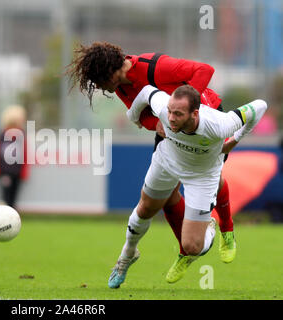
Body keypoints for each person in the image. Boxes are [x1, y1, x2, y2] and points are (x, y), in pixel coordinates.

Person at [66, 42, 237, 266]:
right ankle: (187, 250)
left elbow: (204, 70)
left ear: (110, 72)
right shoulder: (121, 86)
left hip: (205, 120)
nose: (97, 87)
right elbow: (142, 118)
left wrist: (188, 112)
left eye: (98, 81)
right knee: (162, 198)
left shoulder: (153, 67)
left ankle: (227, 227)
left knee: (210, 178)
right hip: (172, 129)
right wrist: (159, 121)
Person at [110, 84, 266, 287]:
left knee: (192, 247)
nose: (171, 118)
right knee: (145, 209)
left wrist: (235, 140)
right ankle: (127, 254)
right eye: (170, 112)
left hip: (202, 176)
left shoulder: (221, 124)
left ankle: (211, 225)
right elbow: (147, 92)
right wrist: (134, 116)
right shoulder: (165, 108)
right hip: (166, 162)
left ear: (195, 113)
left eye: (178, 114)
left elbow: (260, 105)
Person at [0, 105, 29, 209]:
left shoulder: (21, 134)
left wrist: (24, 172)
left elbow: (24, 154)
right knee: (5, 197)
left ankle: (12, 219)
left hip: (17, 171)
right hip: (5, 171)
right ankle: (3, 218)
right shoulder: (2, 134)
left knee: (13, 199)